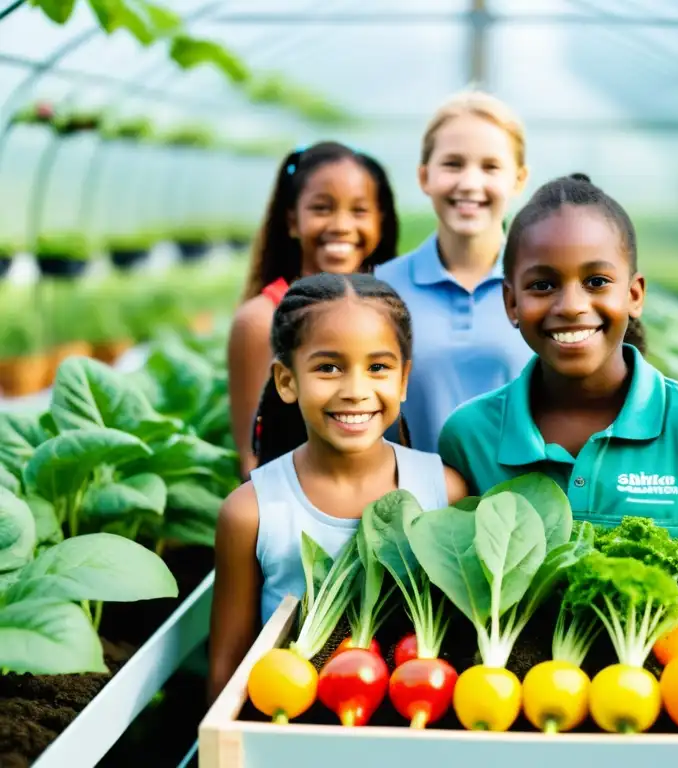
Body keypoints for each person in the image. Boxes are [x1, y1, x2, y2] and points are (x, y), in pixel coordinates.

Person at [437, 173, 678, 706]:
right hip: (514, 720)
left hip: (675, 719)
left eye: (597, 281)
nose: (571, 305)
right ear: (510, 302)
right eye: (542, 285)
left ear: (635, 294)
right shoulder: (469, 435)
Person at [209, 272, 468, 703]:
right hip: (290, 734)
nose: (355, 391)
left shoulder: (444, 492)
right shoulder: (251, 511)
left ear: (403, 380)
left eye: (378, 368)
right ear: (286, 381)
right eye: (328, 368)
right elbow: (227, 668)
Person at [228, 142, 400, 479]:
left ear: (381, 223)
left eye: (359, 211)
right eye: (322, 208)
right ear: (292, 220)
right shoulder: (261, 320)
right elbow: (252, 459)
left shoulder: (393, 312)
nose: (340, 224)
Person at [375, 90, 534, 453]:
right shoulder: (381, 290)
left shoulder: (548, 287)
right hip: (410, 504)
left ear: (519, 179)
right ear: (424, 176)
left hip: (524, 507)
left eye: (490, 167)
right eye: (453, 164)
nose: (470, 183)